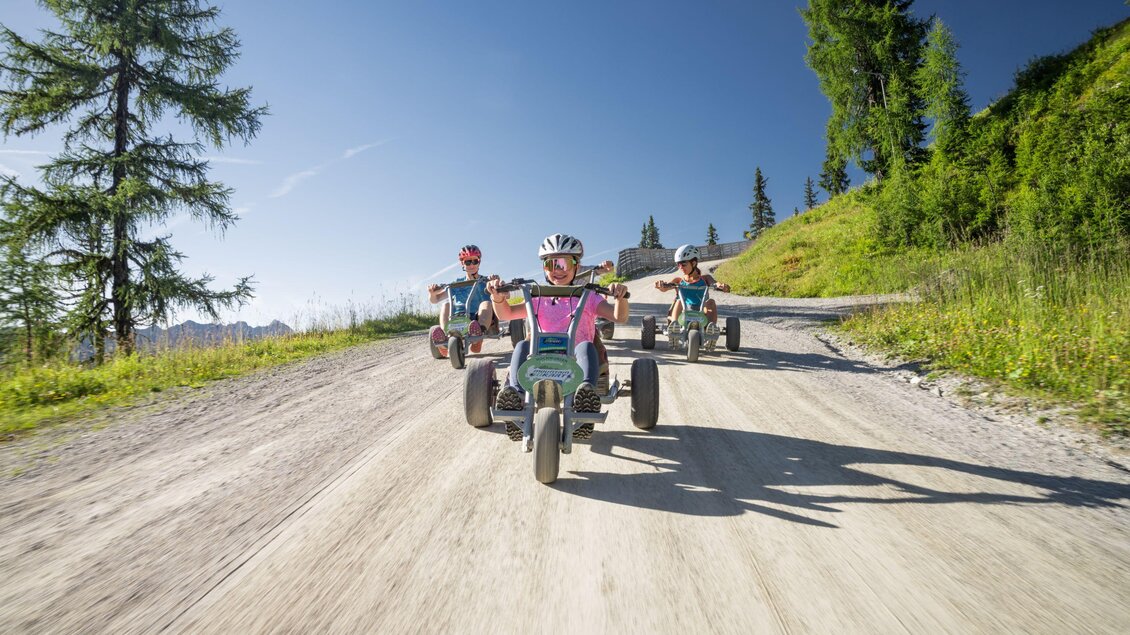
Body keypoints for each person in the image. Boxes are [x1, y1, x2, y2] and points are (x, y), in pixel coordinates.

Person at [487, 233, 629, 414]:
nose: (558, 270)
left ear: (576, 266)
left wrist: (620, 298)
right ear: (544, 268)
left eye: (564, 263)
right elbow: (506, 314)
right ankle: (515, 393)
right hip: (540, 359)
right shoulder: (538, 297)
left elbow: (619, 317)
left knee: (586, 346)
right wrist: (497, 298)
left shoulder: (588, 296)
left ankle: (585, 394)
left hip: (576, 360)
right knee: (523, 345)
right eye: (551, 264)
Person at [427, 245, 495, 356]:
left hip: (478, 318)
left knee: (486, 303)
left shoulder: (486, 281)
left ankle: (477, 337)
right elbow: (435, 300)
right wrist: (432, 294)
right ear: (462, 264)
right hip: (457, 317)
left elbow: (503, 296)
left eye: (475, 261)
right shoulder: (457, 284)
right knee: (446, 304)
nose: (472, 265)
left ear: (479, 262)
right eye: (468, 262)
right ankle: (445, 337)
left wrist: (495, 283)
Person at [654, 244, 730, 330]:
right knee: (678, 301)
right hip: (683, 312)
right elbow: (665, 288)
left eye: (683, 264)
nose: (680, 267)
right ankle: (675, 328)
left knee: (711, 302)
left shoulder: (705, 279)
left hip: (701, 312)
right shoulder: (678, 281)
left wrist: (722, 286)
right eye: (678, 264)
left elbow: (716, 283)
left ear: (693, 263)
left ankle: (710, 329)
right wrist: (661, 285)